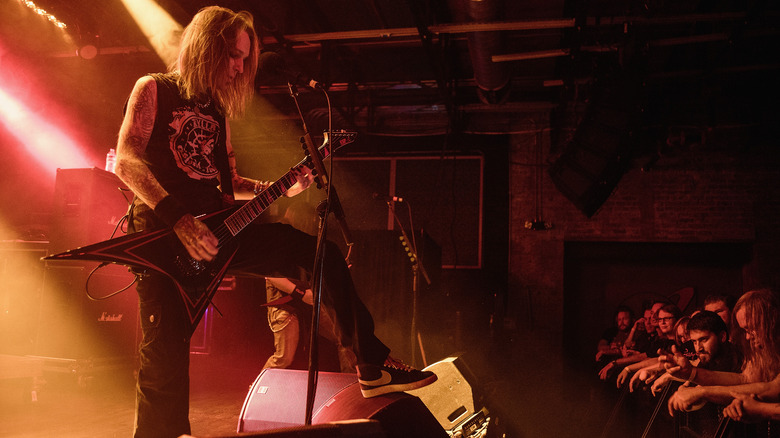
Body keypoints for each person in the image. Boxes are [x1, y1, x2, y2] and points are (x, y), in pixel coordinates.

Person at [114, 7, 435, 437]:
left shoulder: (219, 112)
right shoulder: (153, 88)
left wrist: (280, 185)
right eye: (232, 54)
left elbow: (227, 183)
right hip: (162, 239)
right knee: (165, 360)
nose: (239, 67)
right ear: (205, 46)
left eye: (245, 59)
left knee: (320, 253)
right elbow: (127, 161)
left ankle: (371, 365)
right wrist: (179, 219)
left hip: (216, 231)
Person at [665, 289, 780, 416]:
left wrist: (703, 392)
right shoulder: (762, 350)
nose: (747, 337)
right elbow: (746, 379)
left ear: (771, 322)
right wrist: (692, 373)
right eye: (745, 330)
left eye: (751, 328)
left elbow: (774, 389)